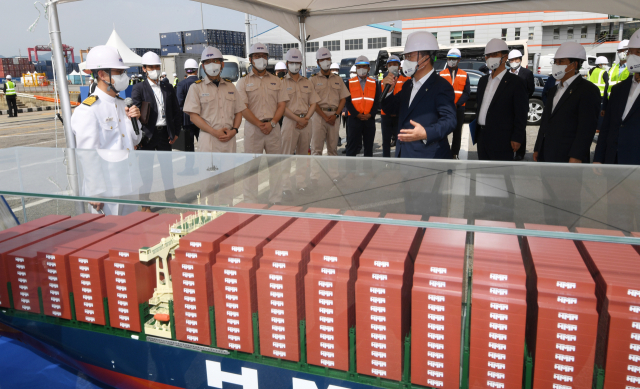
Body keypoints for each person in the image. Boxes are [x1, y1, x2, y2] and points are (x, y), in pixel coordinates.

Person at [70, 45, 142, 215]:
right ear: (102, 75)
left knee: (132, 235)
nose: (124, 77)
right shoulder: (89, 109)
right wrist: (95, 191)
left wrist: (135, 120)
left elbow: (135, 141)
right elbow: (87, 153)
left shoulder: (121, 103)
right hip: (107, 190)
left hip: (129, 183)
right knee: (110, 239)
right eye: (118, 72)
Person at [183, 46, 247, 205]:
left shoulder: (231, 87)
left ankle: (227, 215)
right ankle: (208, 216)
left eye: (216, 61)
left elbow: (239, 111)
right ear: (203, 66)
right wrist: (214, 131)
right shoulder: (196, 87)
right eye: (208, 62)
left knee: (227, 182)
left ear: (222, 64)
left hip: (228, 140)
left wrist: (234, 130)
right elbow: (193, 116)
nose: (212, 65)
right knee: (208, 184)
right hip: (209, 140)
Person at [381, 30, 457, 159]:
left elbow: (450, 121)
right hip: (405, 155)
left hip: (428, 157)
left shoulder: (441, 86)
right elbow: (390, 109)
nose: (406, 61)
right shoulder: (408, 85)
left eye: (409, 56)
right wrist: (388, 91)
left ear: (425, 59)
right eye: (406, 57)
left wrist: (426, 133)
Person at [236, 42, 289, 204]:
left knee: (275, 166)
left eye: (264, 56)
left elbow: (282, 105)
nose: (261, 59)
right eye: (257, 56)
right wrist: (259, 124)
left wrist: (272, 123)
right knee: (251, 168)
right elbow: (243, 108)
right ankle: (250, 201)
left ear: (268, 59)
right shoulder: (243, 82)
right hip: (253, 129)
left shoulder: (276, 81)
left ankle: (276, 199)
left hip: (273, 129)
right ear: (251, 59)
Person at [533, 42, 600, 163]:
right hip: (547, 153)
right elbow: (545, 122)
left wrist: (577, 156)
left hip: (569, 157)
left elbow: (586, 128)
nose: (556, 65)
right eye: (555, 62)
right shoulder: (554, 89)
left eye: (561, 62)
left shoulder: (588, 90)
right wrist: (538, 148)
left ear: (574, 65)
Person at [132, 51, 182, 208]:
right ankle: (145, 203)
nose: (155, 69)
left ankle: (171, 196)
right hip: (147, 135)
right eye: (151, 67)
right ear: (144, 69)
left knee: (167, 168)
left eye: (157, 66)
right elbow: (135, 112)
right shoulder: (139, 88)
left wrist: (175, 133)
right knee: (146, 172)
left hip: (164, 133)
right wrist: (137, 137)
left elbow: (176, 111)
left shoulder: (167, 87)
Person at [474, 38, 528, 161]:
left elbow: (521, 112)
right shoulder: (483, 81)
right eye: (487, 55)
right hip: (482, 137)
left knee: (501, 176)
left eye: (494, 55)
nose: (489, 58)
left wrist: (517, 137)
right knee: (483, 174)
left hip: (503, 138)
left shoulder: (516, 82)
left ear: (505, 57)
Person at [280, 48, 320, 201]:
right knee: (287, 156)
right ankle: (285, 187)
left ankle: (301, 184)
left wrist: (306, 118)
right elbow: (282, 106)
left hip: (306, 121)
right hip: (290, 122)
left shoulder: (307, 82)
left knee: (303, 156)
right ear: (287, 63)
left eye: (297, 63)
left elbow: (314, 102)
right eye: (292, 62)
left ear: (301, 64)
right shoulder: (282, 83)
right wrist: (298, 120)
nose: (295, 65)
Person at [594, 30, 640, 165]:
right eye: (631, 52)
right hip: (614, 161)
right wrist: (598, 158)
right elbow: (607, 127)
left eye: (638, 52)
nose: (632, 56)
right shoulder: (618, 90)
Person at [310, 47, 350, 180]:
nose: (325, 62)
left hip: (334, 116)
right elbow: (313, 102)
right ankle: (315, 177)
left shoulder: (338, 79)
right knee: (316, 149)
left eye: (327, 59)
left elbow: (343, 98)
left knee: (333, 149)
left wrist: (336, 115)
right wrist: (324, 116)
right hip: (318, 117)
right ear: (318, 62)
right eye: (322, 59)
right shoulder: (313, 80)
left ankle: (334, 175)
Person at [345, 56, 380, 157]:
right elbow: (347, 102)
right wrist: (357, 115)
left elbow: (377, 102)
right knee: (351, 149)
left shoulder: (374, 83)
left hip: (369, 121)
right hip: (354, 120)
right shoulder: (349, 83)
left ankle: (367, 172)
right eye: (359, 67)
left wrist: (370, 115)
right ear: (356, 69)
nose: (361, 69)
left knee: (368, 150)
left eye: (364, 66)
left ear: (369, 68)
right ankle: (351, 172)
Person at [440, 48, 470, 160]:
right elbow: (438, 92)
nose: (451, 61)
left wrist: (458, 104)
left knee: (457, 133)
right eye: (449, 59)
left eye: (454, 59)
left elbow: (467, 93)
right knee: (443, 131)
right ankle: (444, 151)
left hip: (459, 108)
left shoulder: (464, 74)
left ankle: (454, 153)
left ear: (459, 60)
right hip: (445, 109)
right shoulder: (441, 74)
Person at [380, 55, 410, 157]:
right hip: (386, 115)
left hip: (399, 116)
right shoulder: (383, 81)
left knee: (400, 140)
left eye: (395, 64)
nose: (392, 66)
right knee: (386, 141)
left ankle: (399, 160)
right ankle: (386, 162)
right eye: (390, 65)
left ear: (399, 66)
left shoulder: (406, 80)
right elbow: (381, 99)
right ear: (387, 66)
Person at [508, 49, 534, 161]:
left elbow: (531, 89)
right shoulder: (507, 73)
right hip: (508, 106)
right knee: (509, 127)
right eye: (512, 60)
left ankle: (520, 153)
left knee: (520, 128)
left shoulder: (527, 73)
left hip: (521, 106)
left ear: (520, 60)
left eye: (516, 59)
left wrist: (521, 99)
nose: (514, 61)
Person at [176, 58, 201, 175]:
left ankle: (189, 169)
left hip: (187, 120)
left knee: (189, 146)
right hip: (202, 120)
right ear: (197, 69)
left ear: (186, 70)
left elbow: (179, 104)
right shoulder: (202, 83)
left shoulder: (181, 84)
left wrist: (180, 122)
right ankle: (208, 166)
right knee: (205, 145)